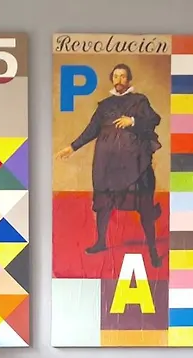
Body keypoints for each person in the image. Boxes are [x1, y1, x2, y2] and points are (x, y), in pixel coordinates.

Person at [56, 63, 164, 267]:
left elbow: (154, 119)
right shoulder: (104, 105)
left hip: (135, 164)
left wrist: (133, 121)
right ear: (112, 79)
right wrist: (72, 147)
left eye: (123, 76)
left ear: (129, 80)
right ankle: (100, 242)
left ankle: (152, 250)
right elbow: (91, 129)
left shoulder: (139, 101)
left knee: (144, 205)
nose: (119, 80)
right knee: (104, 202)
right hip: (107, 163)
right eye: (116, 76)